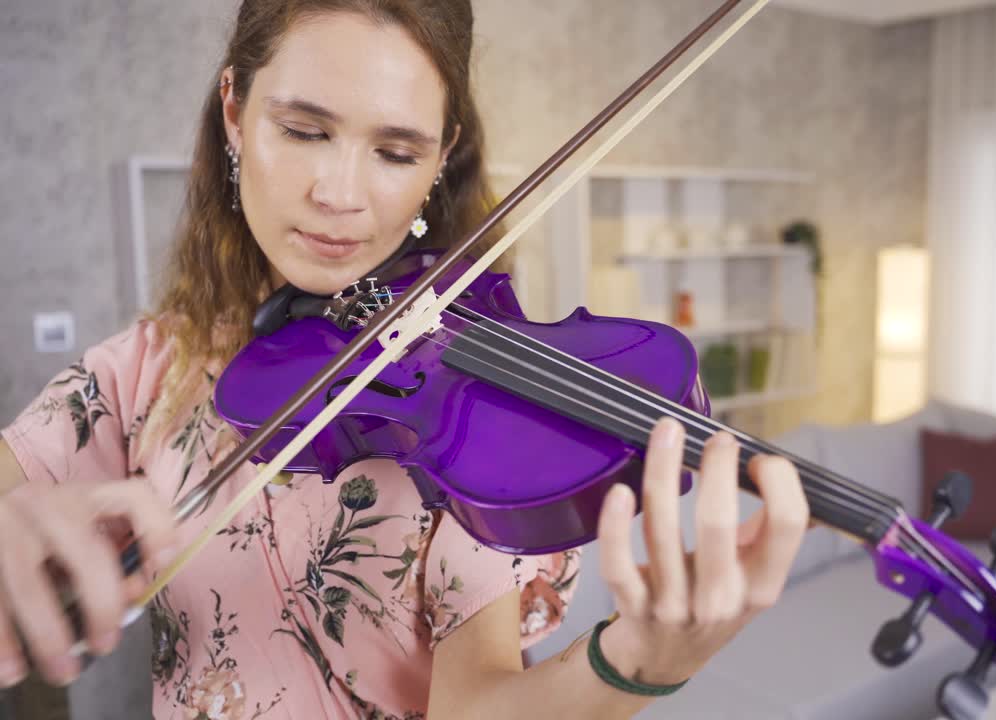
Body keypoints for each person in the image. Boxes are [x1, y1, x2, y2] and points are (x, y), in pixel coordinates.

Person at [0, 1, 811, 717]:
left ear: (440, 157)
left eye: (395, 152)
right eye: (304, 130)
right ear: (234, 111)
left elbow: (476, 707)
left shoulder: (471, 424)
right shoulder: (147, 369)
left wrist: (637, 661)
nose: (341, 195)